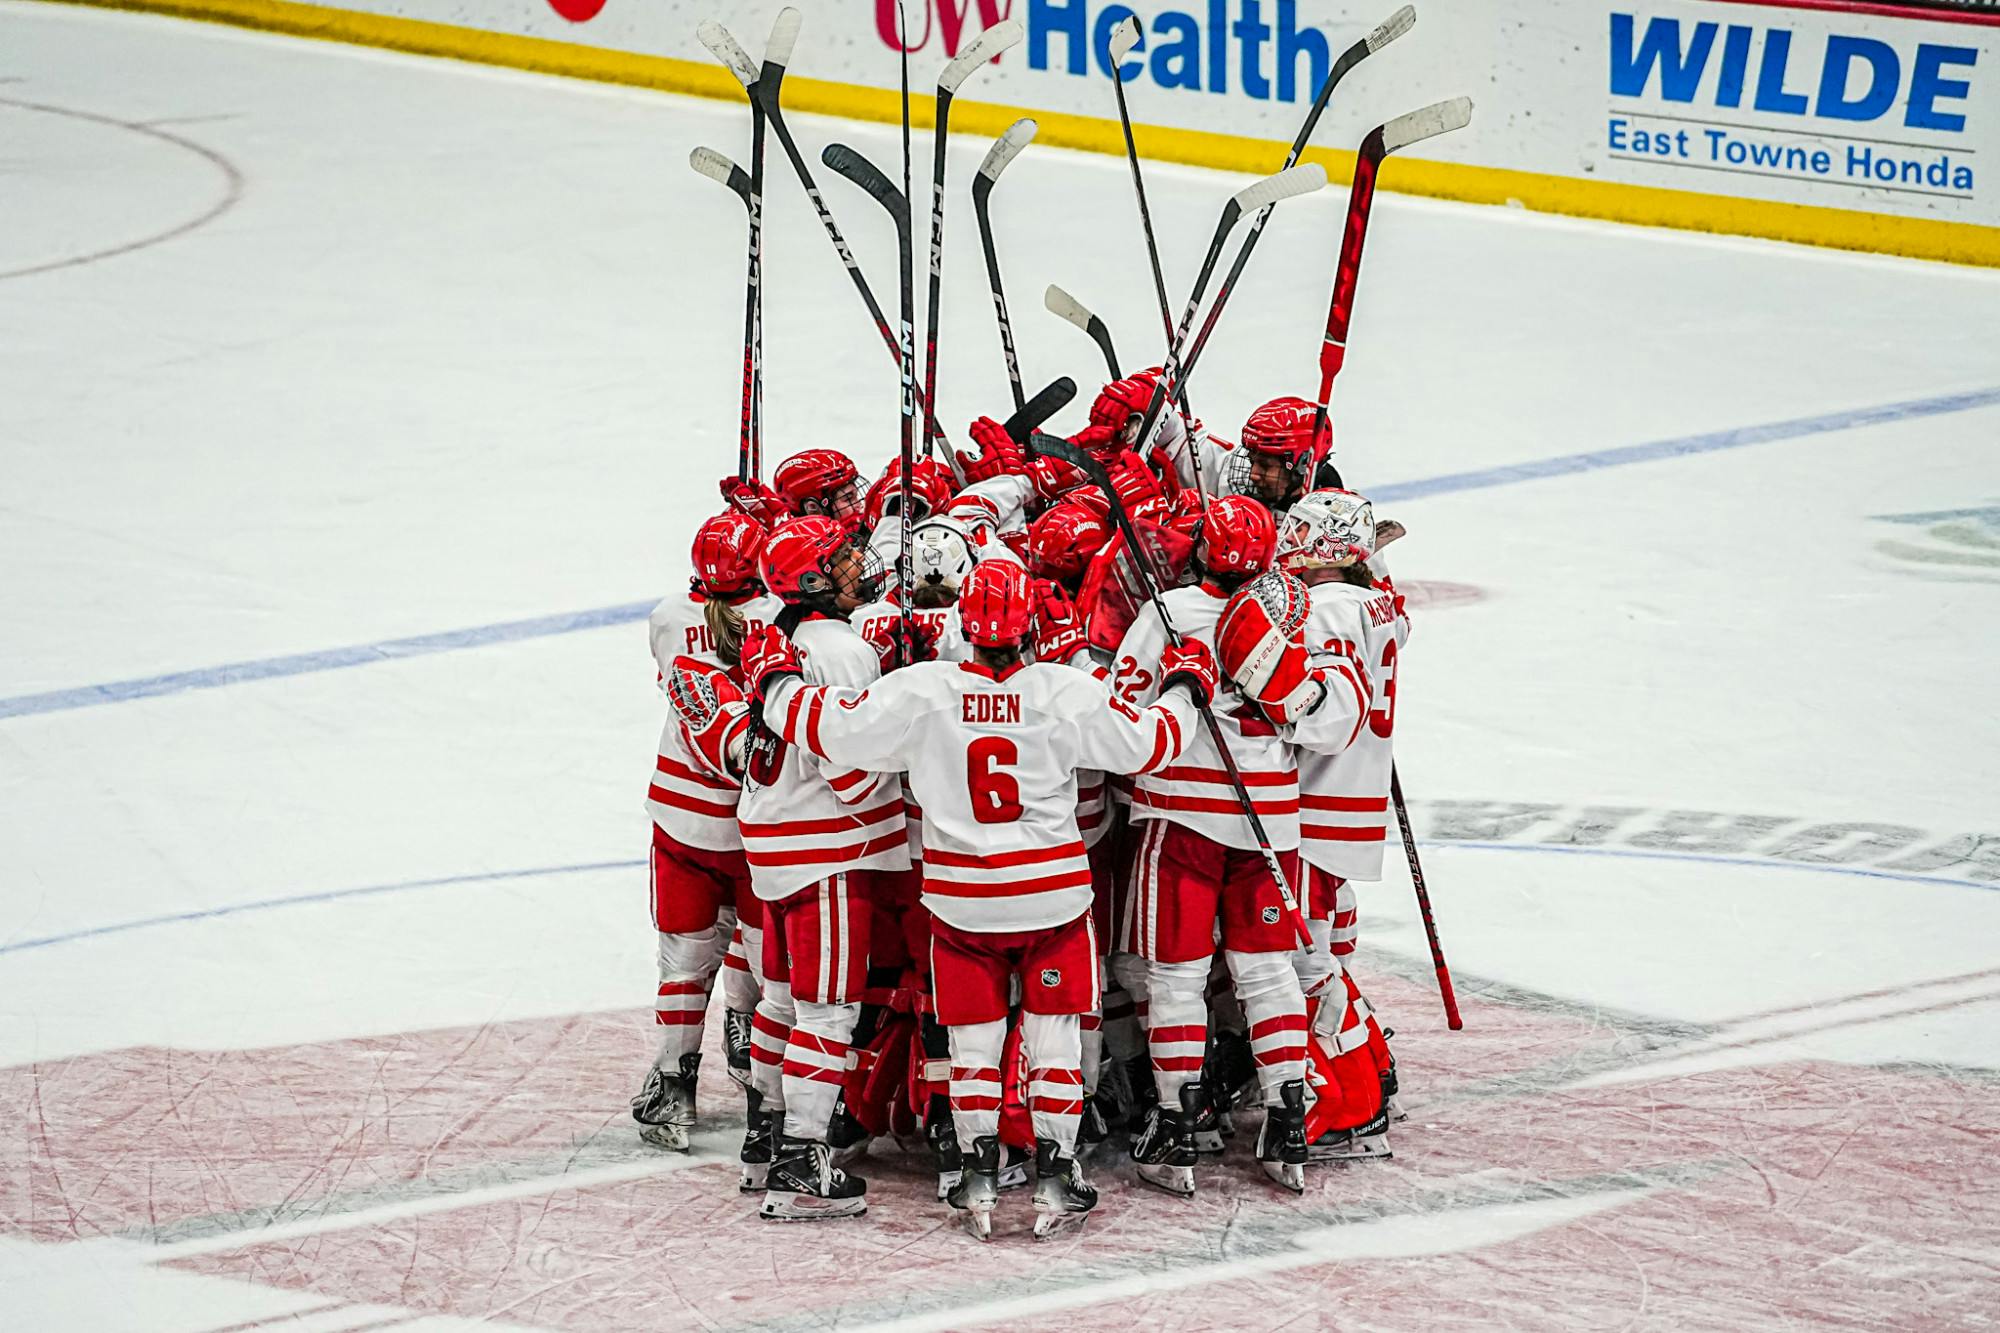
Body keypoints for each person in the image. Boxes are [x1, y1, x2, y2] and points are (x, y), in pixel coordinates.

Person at [737, 560, 1218, 1239]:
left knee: (973, 1044)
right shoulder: (1064, 690)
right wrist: (1186, 686)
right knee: (1053, 1038)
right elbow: (1151, 742)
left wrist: (775, 680)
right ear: (1027, 632)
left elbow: (831, 730)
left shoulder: (923, 690)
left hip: (962, 904)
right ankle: (1056, 1165)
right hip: (1051, 900)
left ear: (965, 625)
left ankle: (977, 1168)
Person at [1105, 494, 1361, 1195]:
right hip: (1271, 825)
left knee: (1176, 979)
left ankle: (1178, 1123)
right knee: (1269, 972)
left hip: (1180, 819)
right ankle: (1287, 1118)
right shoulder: (1300, 611)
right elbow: (1334, 719)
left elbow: (1118, 713)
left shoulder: (1168, 614)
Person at [670, 513, 911, 1220]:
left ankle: (765, 1139)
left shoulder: (780, 635)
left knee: (778, 1002)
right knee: (827, 1010)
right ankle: (805, 1159)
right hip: (824, 855)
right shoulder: (839, 650)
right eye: (839, 559)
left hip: (770, 851)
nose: (854, 566)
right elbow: (854, 774)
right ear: (810, 577)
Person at [631, 511, 779, 1151]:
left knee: (684, 966)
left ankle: (673, 1089)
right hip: (756, 824)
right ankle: (758, 1089)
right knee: (758, 969)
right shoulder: (781, 617)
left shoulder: (669, 616)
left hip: (684, 820)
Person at [1272, 489, 1409, 1160]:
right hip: (1354, 797)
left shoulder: (1324, 612)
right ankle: (1373, 1065)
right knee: (1313, 957)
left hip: (1315, 801)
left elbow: (1321, 717)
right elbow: (1391, 611)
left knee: (1304, 964)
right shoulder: (1374, 601)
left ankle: (1355, 1094)